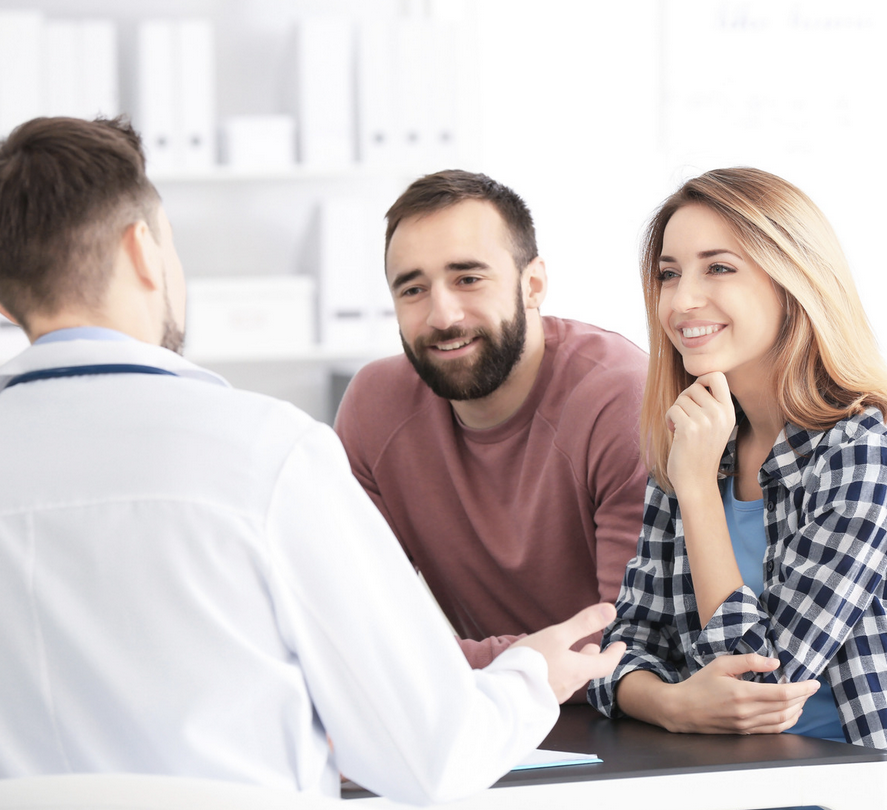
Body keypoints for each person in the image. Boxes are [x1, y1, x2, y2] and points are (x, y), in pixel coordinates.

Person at [0, 116, 624, 804]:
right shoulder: (265, 455)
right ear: (145, 251)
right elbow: (429, 758)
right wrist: (529, 673)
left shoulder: (608, 392)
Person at [588, 168, 887, 810]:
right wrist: (670, 703)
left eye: (718, 268)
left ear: (794, 280)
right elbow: (623, 646)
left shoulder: (869, 452)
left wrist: (698, 493)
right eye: (670, 274)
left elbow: (764, 679)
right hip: (731, 788)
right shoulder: (701, 440)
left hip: (874, 794)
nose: (681, 301)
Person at [334, 170, 648, 674]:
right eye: (413, 289)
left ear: (533, 285)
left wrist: (431, 664)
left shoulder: (619, 396)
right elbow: (346, 626)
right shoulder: (376, 406)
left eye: (468, 279)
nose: (442, 315)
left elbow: (621, 646)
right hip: (489, 714)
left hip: (627, 720)